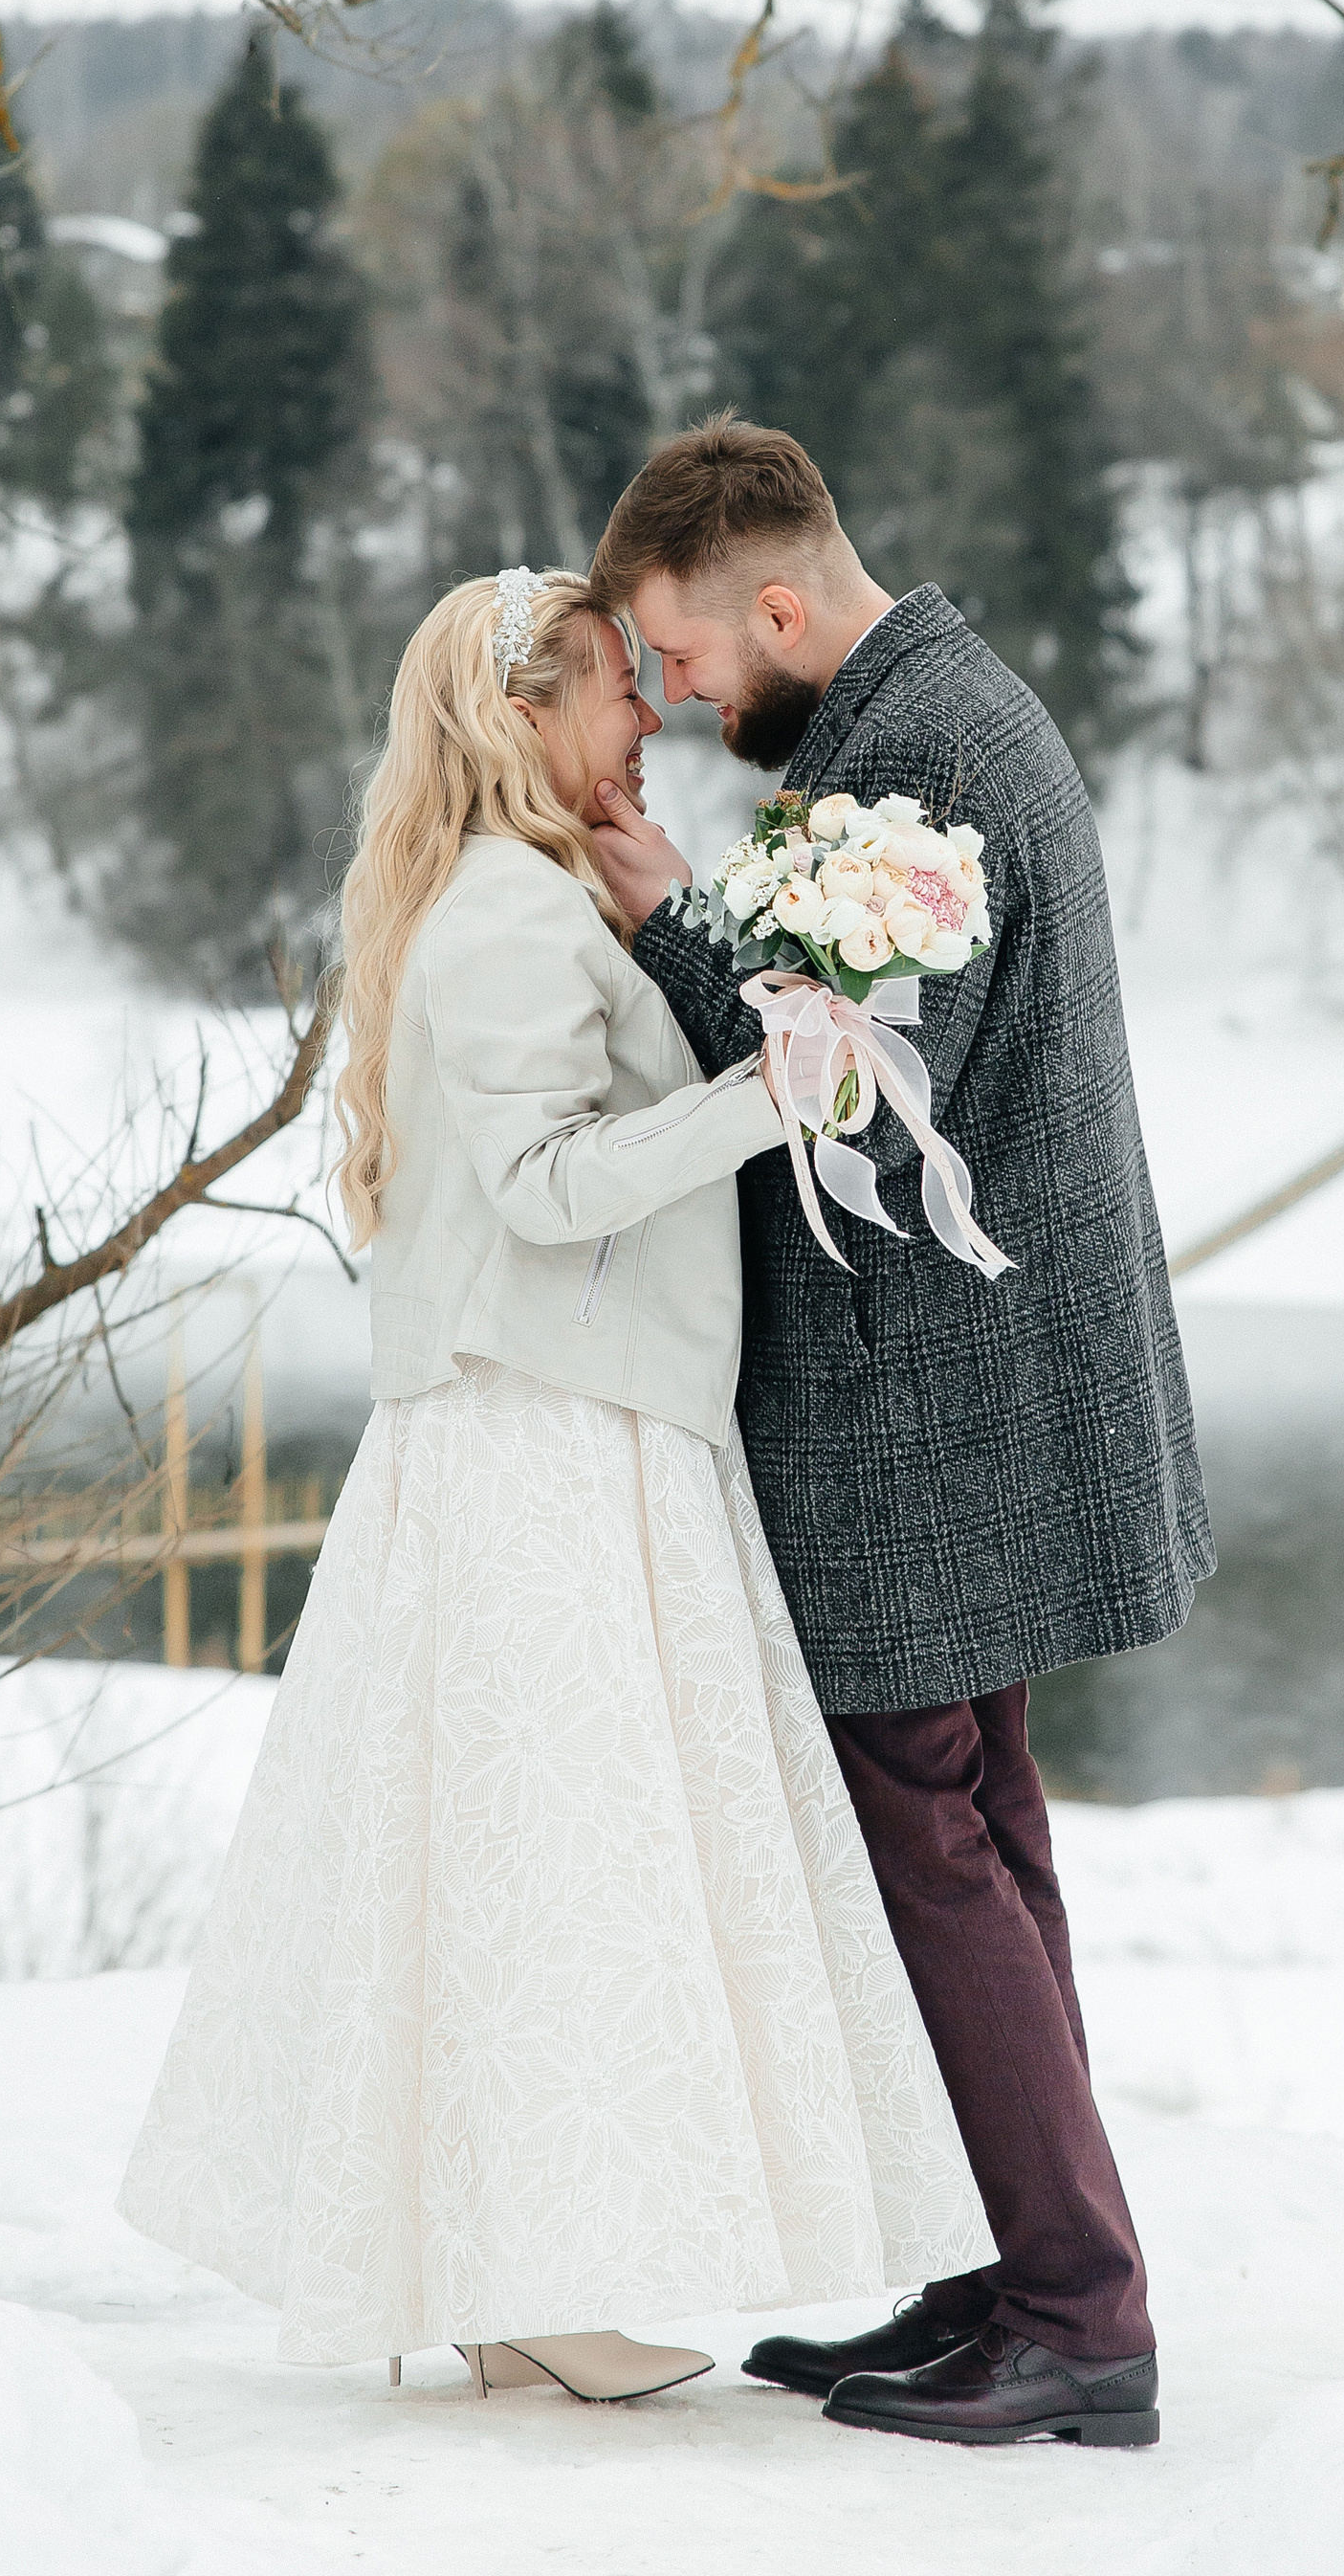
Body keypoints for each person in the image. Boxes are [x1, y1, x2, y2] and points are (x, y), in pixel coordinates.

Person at [119, 567, 985, 2407]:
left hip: (566, 1421)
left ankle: (527, 2276)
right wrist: (782, 1086)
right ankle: (536, 2280)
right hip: (550, 1445)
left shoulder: (526, 892)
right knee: (571, 1869)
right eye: (616, 692)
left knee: (546, 1876)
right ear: (523, 714)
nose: (648, 718)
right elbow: (545, 1189)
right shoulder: (506, 917)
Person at [584, 419, 1212, 2454]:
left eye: (681, 662)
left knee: (926, 1841)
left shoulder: (913, 760)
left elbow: (846, 1087)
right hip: (975, 1389)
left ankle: (1073, 2314)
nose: (672, 703)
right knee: (979, 1833)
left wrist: (669, 916)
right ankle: (1003, 2269)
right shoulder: (922, 715)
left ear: (777, 605)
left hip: (931, 1415)